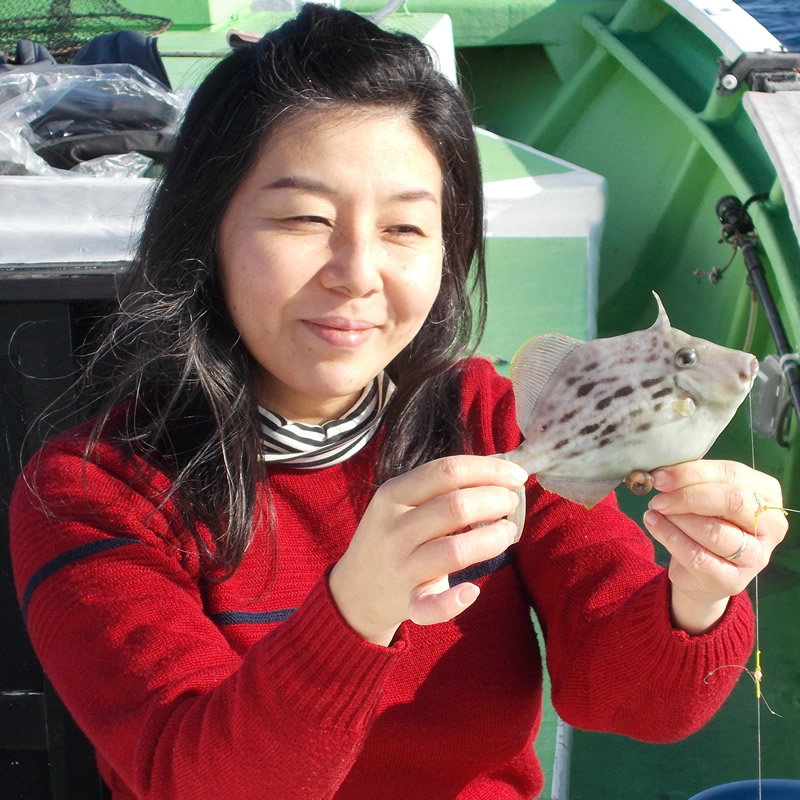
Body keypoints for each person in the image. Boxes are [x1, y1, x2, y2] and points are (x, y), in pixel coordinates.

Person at [9, 5, 787, 799]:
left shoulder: (493, 422)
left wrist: (698, 591)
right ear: (208, 230)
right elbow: (195, 780)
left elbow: (628, 700)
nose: (357, 273)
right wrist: (359, 606)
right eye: (304, 219)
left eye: (405, 228)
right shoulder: (91, 493)